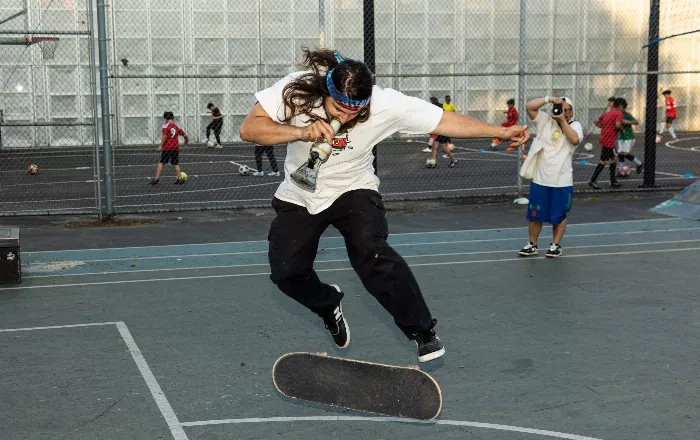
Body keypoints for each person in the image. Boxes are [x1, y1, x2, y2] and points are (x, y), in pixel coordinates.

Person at [239, 48, 529, 362]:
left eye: (356, 111)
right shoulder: (297, 90)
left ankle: (422, 331)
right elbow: (249, 129)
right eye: (338, 108)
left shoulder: (386, 103)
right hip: (300, 192)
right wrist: (301, 131)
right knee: (286, 273)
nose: (346, 117)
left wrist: (499, 131)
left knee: (371, 250)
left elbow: (444, 121)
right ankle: (328, 304)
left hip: (354, 187)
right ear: (326, 90)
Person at [518, 96, 582, 258]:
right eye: (562, 109)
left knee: (559, 214)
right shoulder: (545, 121)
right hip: (541, 178)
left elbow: (574, 140)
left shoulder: (575, 125)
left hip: (562, 179)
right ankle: (532, 244)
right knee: (535, 214)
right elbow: (530, 107)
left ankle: (555, 245)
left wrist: (562, 121)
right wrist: (549, 98)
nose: (565, 113)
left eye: (568, 110)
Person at [588, 97, 624, 189]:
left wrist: (604, 127)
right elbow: (617, 125)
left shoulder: (606, 114)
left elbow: (596, 122)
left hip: (604, 139)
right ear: (620, 106)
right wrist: (621, 130)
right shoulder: (618, 114)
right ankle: (593, 180)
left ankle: (613, 181)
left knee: (614, 158)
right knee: (603, 161)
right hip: (609, 141)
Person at [151, 111, 188, 185]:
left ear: (165, 118)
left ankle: (157, 178)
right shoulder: (176, 126)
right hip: (175, 147)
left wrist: (161, 145)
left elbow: (165, 136)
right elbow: (185, 135)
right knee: (175, 163)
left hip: (167, 147)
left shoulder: (165, 125)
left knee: (161, 162)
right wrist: (186, 141)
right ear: (173, 117)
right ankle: (180, 179)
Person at [616, 98, 643, 174]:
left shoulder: (627, 115)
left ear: (623, 107)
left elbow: (636, 122)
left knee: (625, 154)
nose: (618, 108)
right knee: (620, 154)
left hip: (629, 137)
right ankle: (621, 170)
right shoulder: (616, 115)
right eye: (617, 107)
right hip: (621, 137)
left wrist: (627, 122)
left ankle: (639, 163)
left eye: (619, 107)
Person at [430, 97, 457, 168]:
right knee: (437, 146)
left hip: (443, 130)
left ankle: (452, 160)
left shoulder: (437, 110)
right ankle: (434, 161)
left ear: (432, 102)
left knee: (442, 147)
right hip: (442, 130)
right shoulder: (440, 107)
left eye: (430, 102)